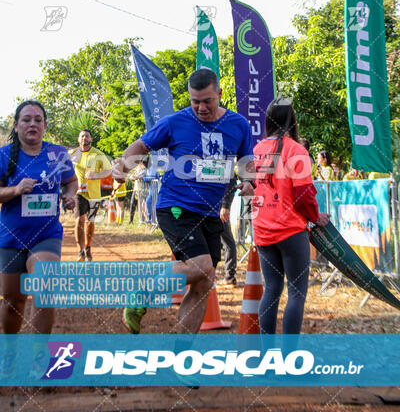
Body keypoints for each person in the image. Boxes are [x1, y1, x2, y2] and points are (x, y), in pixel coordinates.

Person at [113, 68, 254, 334]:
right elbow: (141, 146)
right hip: (176, 206)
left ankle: (182, 354)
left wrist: (249, 181)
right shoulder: (174, 122)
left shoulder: (239, 125)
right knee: (200, 266)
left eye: (207, 101)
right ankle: (141, 294)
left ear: (220, 94)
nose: (201, 107)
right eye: (195, 101)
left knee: (204, 281)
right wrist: (122, 168)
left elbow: (246, 162)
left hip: (209, 213)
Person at [252, 97, 330, 334]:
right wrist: (316, 217)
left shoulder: (257, 149)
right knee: (296, 293)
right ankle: (288, 359)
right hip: (290, 231)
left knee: (272, 289)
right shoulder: (297, 150)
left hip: (263, 230)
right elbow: (303, 195)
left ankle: (269, 357)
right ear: (292, 119)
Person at [0, 101, 77, 334]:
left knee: (44, 294)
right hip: (11, 237)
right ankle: (9, 353)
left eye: (38, 119)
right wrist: (15, 190)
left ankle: (38, 361)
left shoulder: (57, 153)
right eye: (26, 119)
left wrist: (70, 196)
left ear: (44, 125)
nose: (32, 124)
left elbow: (71, 181)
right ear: (15, 125)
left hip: (46, 235)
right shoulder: (4, 156)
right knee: (13, 302)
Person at [69, 129, 112, 261]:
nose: (84, 138)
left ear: (91, 139)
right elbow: (63, 168)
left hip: (94, 194)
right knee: (79, 220)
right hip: (78, 192)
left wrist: (96, 175)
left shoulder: (98, 154)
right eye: (82, 136)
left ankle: (88, 247)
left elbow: (108, 170)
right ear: (78, 139)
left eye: (87, 136)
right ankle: (80, 251)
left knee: (90, 222)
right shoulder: (72, 154)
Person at [219, 175, 239, 286]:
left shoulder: (225, 162)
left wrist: (225, 205)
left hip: (218, 209)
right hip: (204, 208)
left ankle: (230, 276)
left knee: (227, 242)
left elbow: (231, 182)